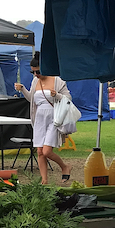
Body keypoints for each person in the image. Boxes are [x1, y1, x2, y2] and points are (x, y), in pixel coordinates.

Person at [14, 54, 73, 185]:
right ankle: (44, 180)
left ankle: (64, 166)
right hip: (39, 117)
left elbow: (68, 99)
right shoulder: (35, 81)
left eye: (38, 71)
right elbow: (32, 99)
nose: (35, 74)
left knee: (47, 151)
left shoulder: (58, 80)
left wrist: (56, 95)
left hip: (54, 117)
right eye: (33, 72)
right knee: (40, 151)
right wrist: (22, 89)